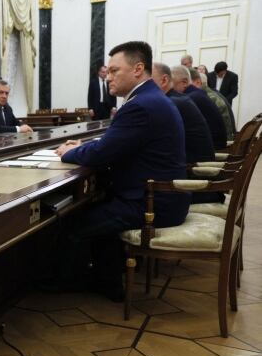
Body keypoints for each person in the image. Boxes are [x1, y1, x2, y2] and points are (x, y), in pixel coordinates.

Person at [53, 41, 189, 300]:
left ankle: (70, 280)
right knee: (96, 209)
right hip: (160, 198)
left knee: (72, 220)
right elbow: (116, 144)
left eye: (115, 71)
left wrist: (68, 153)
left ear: (138, 69)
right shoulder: (150, 98)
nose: (108, 77)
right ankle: (106, 281)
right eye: (108, 72)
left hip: (151, 205)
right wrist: (88, 145)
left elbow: (103, 153)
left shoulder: (141, 104)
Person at [151, 62, 215, 164]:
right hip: (202, 160)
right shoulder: (179, 99)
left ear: (164, 80)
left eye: (149, 81)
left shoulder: (172, 102)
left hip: (197, 168)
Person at [172, 65, 227, 149]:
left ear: (185, 82)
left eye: (172, 83)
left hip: (212, 149)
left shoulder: (189, 99)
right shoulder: (197, 94)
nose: (170, 87)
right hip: (215, 145)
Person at [198, 70, 236, 139]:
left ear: (198, 82)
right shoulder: (214, 93)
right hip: (230, 137)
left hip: (224, 142)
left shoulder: (208, 97)